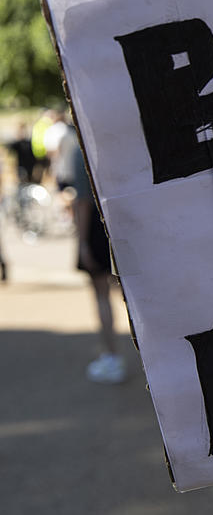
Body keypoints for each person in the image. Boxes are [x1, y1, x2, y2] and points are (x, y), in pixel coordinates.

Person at [67, 127, 125, 384]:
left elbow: (82, 202)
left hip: (96, 230)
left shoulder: (80, 151)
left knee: (101, 295)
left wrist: (81, 243)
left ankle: (112, 357)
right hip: (122, 225)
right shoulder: (116, 143)